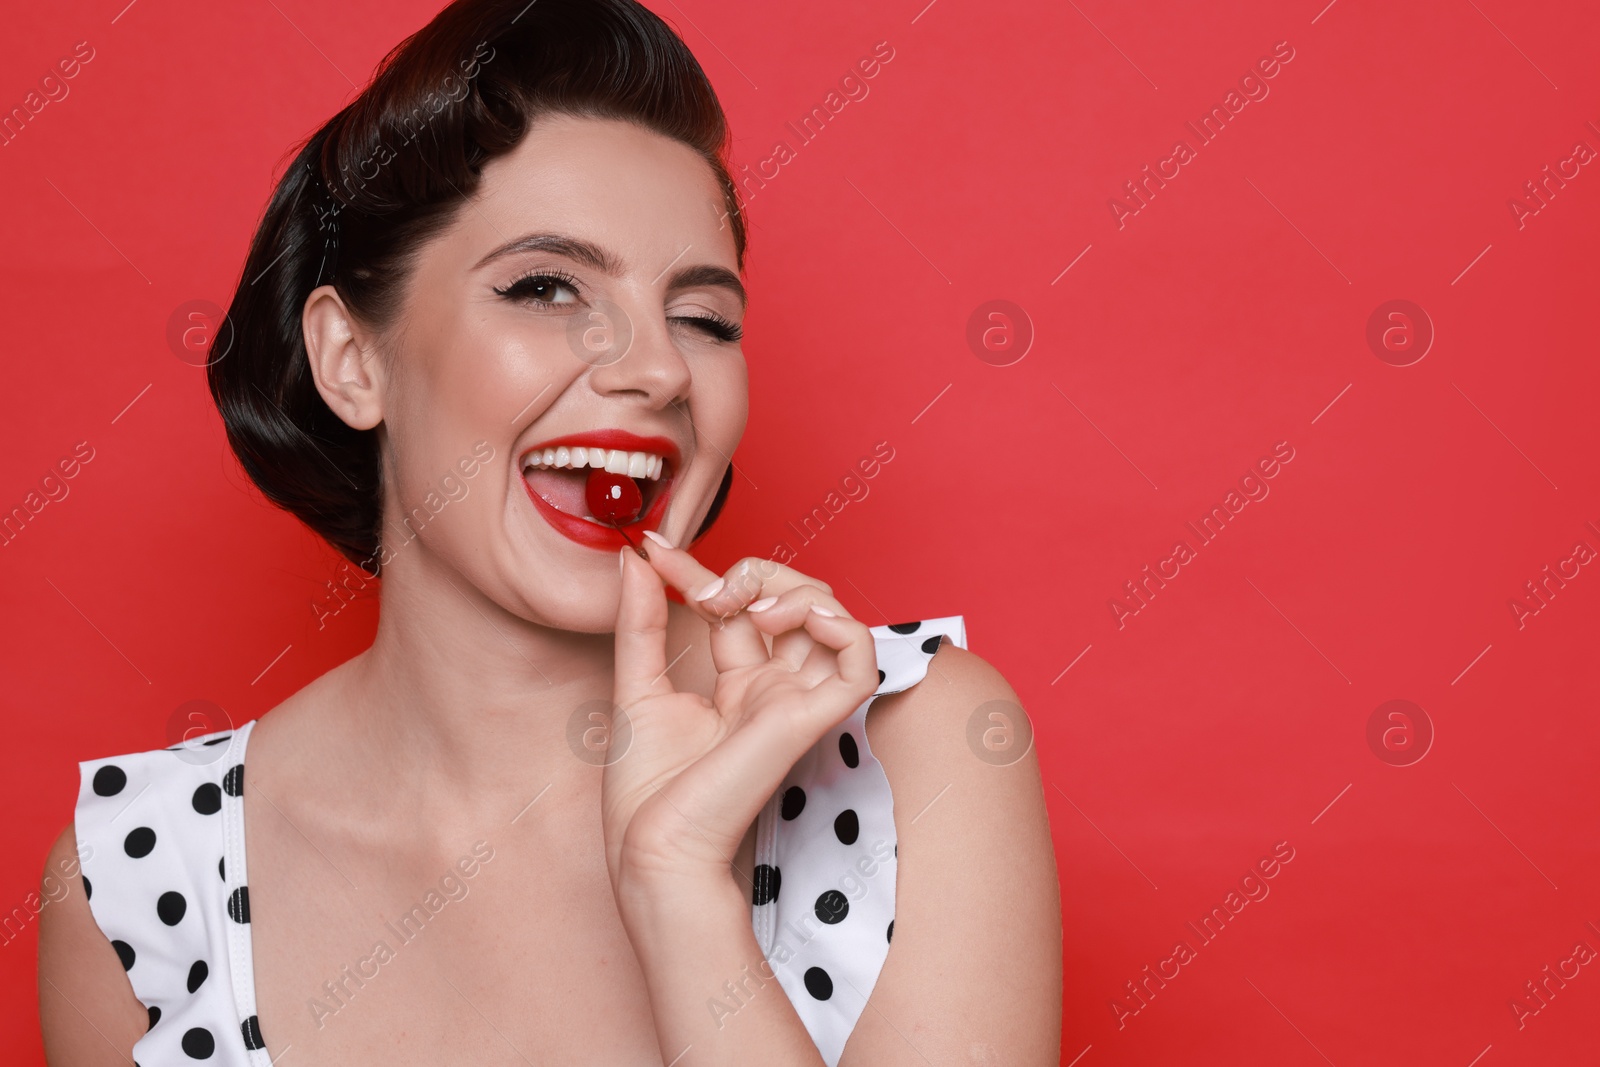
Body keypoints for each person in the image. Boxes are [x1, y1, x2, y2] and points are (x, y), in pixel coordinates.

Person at [38, 1, 1062, 1063]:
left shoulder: (908, 749)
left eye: (704, 318)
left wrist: (678, 890)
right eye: (544, 287)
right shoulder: (137, 884)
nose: (658, 370)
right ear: (354, 359)